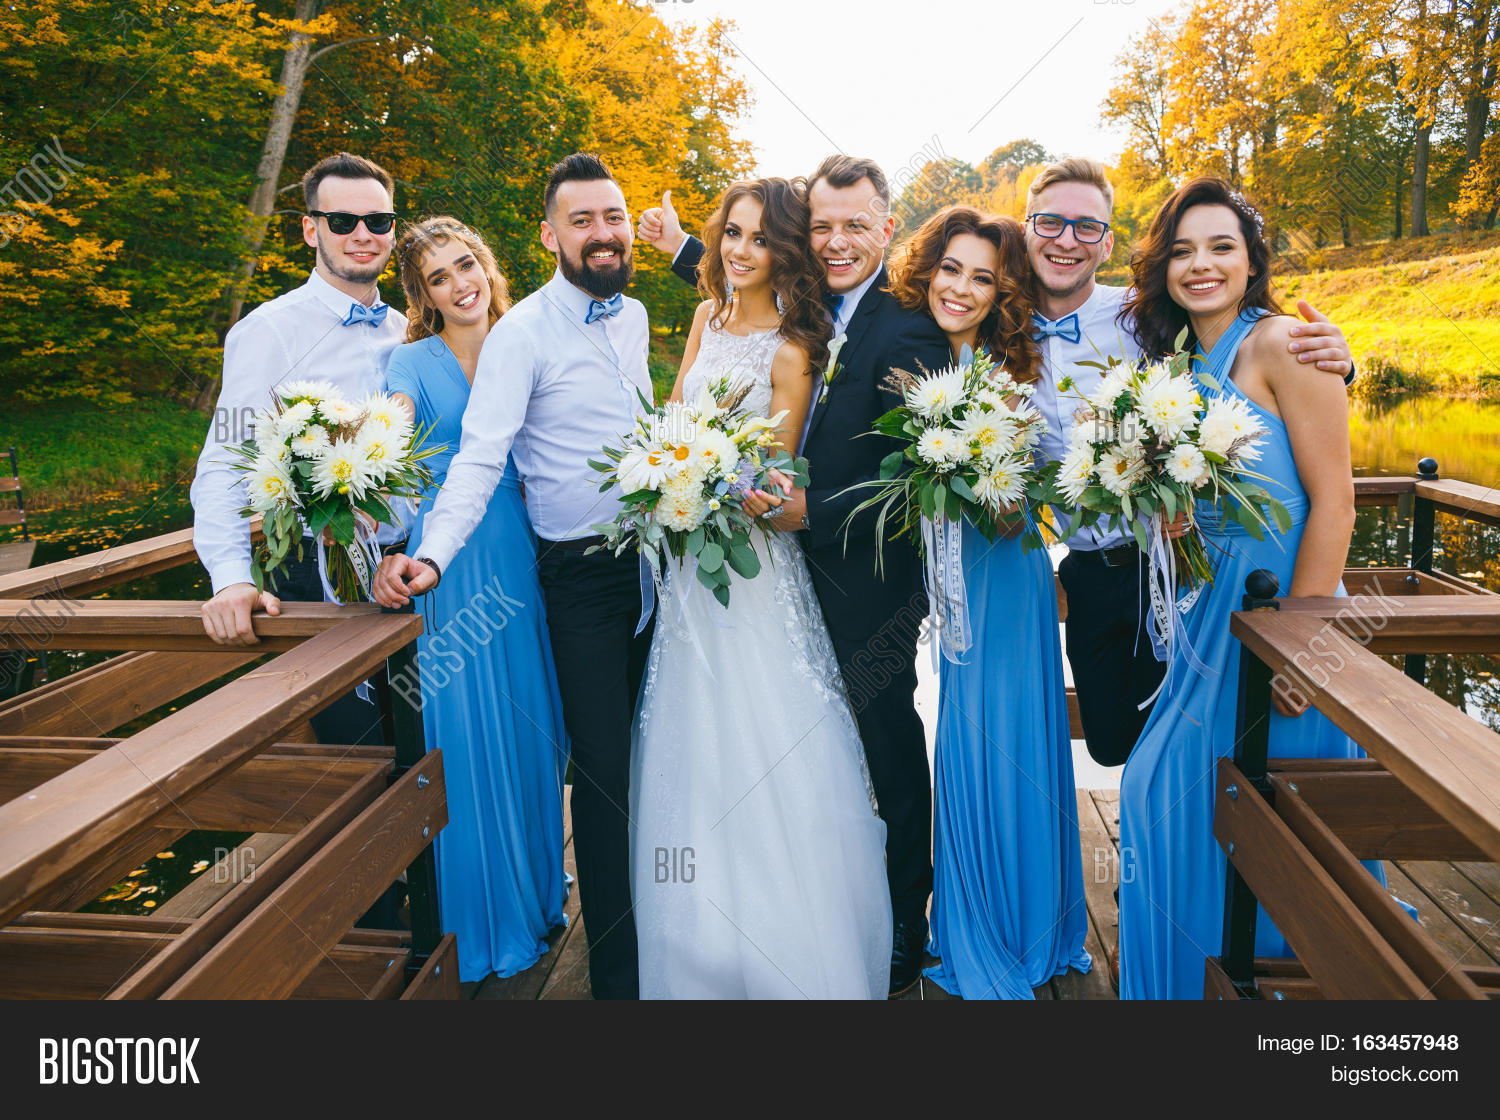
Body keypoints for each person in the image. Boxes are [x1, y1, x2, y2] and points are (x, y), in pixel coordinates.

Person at [640, 156, 952, 996]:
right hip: (722, 566)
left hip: (857, 579)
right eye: (822, 226)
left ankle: (894, 931)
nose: (837, 240)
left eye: (856, 225)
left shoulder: (911, 325)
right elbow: (735, 289)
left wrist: (798, 510)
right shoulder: (762, 307)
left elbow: (905, 466)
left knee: (876, 746)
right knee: (722, 739)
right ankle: (713, 920)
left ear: (888, 227)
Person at [373, 154, 653, 1000]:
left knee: (621, 753)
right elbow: (473, 461)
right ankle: (619, 975)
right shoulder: (519, 335)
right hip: (550, 570)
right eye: (581, 220)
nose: (600, 233)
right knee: (600, 770)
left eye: (613, 217)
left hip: (642, 567)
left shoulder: (632, 316)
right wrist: (419, 553)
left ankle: (642, 920)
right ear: (546, 235)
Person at [1114, 178, 1394, 999]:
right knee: (1162, 790)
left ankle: (1290, 994)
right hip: (1215, 609)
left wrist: (1303, 647)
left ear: (1251, 260)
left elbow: (1335, 505)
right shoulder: (1182, 363)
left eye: (1220, 247)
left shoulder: (1282, 345)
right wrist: (1179, 520)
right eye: (1182, 249)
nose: (1200, 264)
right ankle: (1197, 981)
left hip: (1283, 612)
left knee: (1271, 819)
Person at [1020, 159, 1357, 772]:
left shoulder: (1140, 319)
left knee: (1202, 766)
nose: (1067, 240)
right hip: (1125, 570)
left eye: (1086, 227)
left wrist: (1339, 363)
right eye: (1050, 222)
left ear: (1108, 242)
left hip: (1193, 578)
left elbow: (1332, 493)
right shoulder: (1000, 318)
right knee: (1122, 745)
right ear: (1026, 229)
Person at [885, 206, 1090, 998]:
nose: (962, 289)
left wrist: (982, 467)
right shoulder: (912, 359)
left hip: (1007, 573)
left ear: (1003, 291)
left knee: (1005, 736)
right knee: (964, 738)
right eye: (952, 270)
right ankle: (976, 911)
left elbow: (1025, 503)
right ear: (928, 270)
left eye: (983, 277)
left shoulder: (1015, 375)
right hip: (951, 576)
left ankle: (1016, 924)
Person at [383, 216, 569, 983]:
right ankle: (478, 924)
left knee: (531, 732)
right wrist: (378, 545)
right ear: (422, 295)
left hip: (523, 555)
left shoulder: (528, 336)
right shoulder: (410, 363)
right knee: (465, 736)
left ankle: (538, 898)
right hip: (447, 561)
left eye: (466, 265)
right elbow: (390, 467)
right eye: (438, 277)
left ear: (488, 266)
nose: (459, 285)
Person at [192, 151, 404, 747]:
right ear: (311, 228)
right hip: (315, 578)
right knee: (356, 762)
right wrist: (231, 577)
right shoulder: (267, 331)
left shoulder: (408, 330)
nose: (362, 235)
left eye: (378, 221)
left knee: (419, 758)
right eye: (342, 221)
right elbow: (223, 462)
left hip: (407, 576)